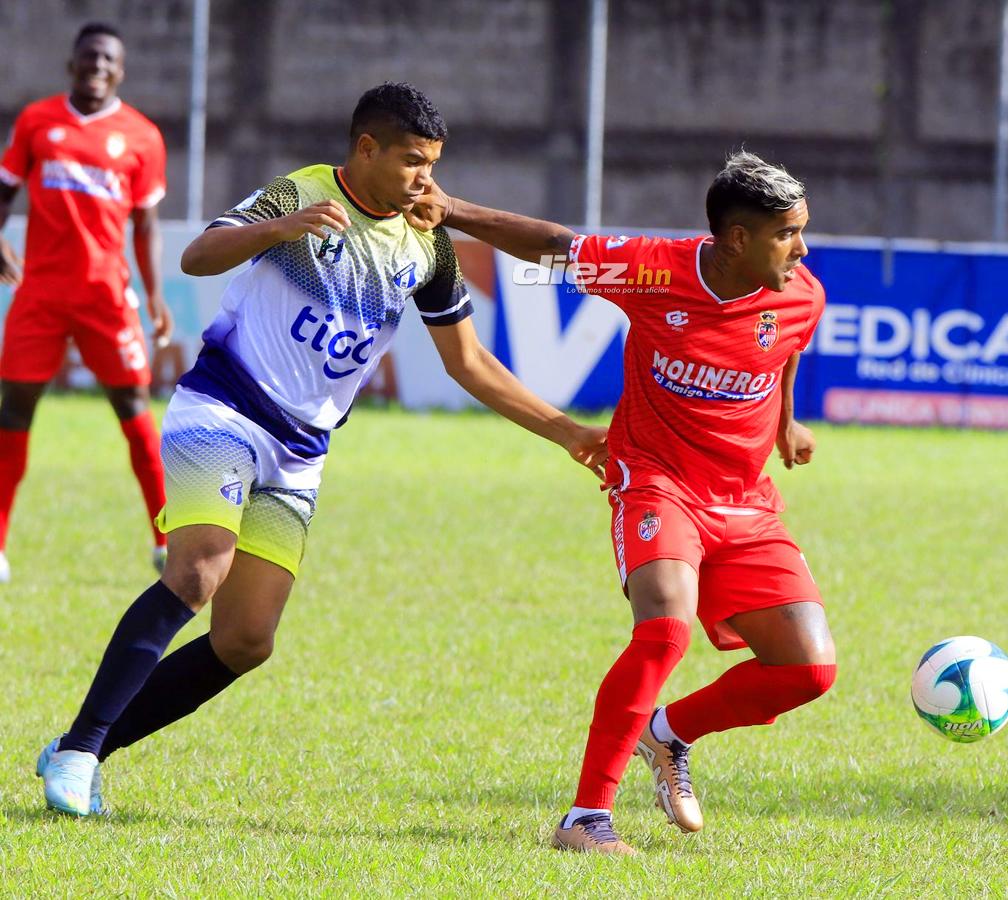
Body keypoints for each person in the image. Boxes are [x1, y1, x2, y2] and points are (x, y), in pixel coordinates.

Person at [36, 81, 608, 816]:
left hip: (300, 451)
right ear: (365, 149)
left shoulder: (427, 241)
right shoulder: (298, 193)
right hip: (226, 408)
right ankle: (83, 751)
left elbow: (469, 362)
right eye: (411, 162)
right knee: (198, 569)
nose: (424, 180)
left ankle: (80, 749)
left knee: (245, 640)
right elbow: (201, 256)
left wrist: (567, 433)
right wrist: (279, 230)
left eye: (432, 164)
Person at [410, 151, 836, 854]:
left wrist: (786, 419)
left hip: (743, 500)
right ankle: (586, 820)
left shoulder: (801, 291)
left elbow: (786, 346)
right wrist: (453, 211)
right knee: (665, 629)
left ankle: (666, 733)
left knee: (808, 668)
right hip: (656, 480)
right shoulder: (653, 270)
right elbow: (556, 249)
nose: (803, 247)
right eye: (788, 232)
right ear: (736, 238)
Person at [0, 22, 173, 581]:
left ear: (120, 71)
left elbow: (146, 227)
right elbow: (3, 193)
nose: (98, 67)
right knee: (12, 413)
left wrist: (154, 295)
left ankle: (165, 539)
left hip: (106, 298)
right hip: (41, 295)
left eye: (108, 60)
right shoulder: (37, 121)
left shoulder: (142, 137)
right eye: (89, 57)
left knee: (134, 413)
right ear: (71, 64)